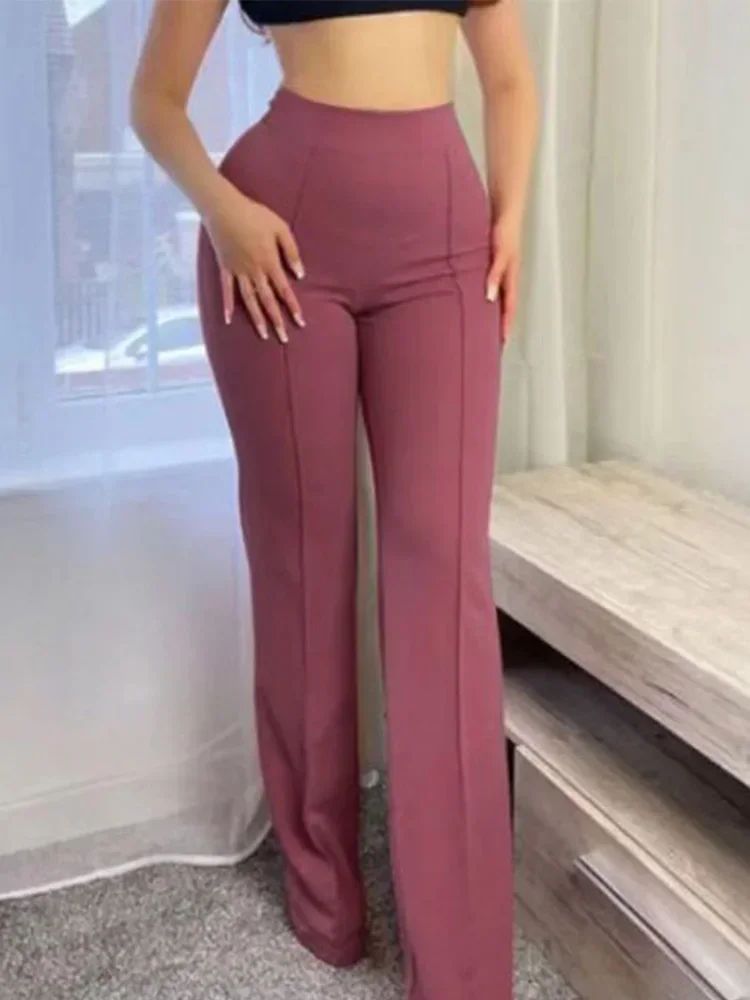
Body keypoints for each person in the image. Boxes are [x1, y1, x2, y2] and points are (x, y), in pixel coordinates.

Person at [129, 2, 538, 997]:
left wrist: (512, 213)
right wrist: (224, 213)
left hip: (445, 243)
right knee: (303, 568)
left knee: (442, 583)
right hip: (278, 241)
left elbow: (509, 78)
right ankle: (324, 901)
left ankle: (462, 960)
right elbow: (155, 101)